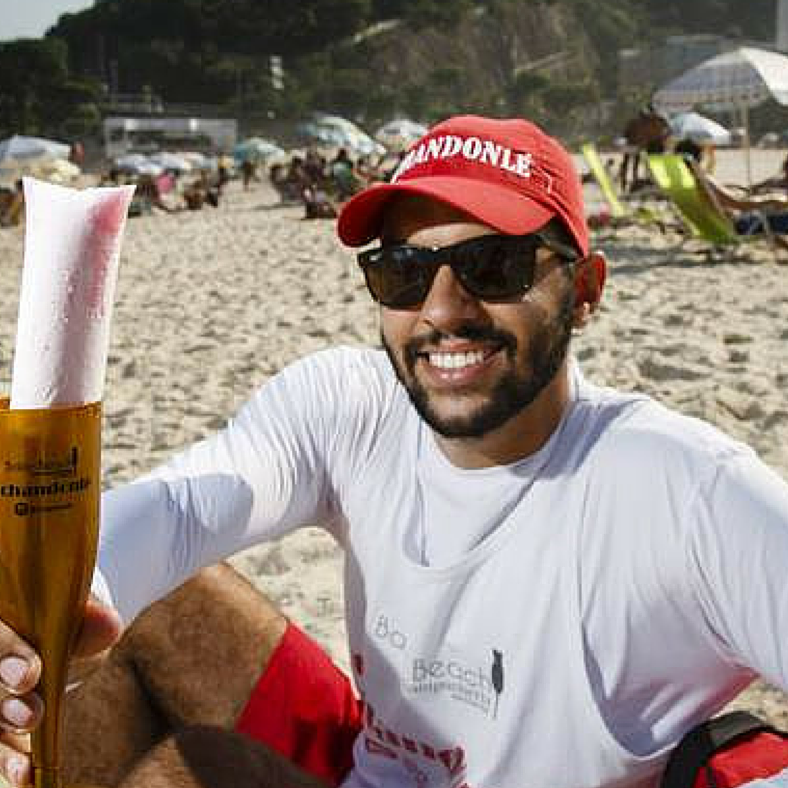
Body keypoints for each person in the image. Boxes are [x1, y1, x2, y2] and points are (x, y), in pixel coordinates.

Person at [2, 115, 788, 788]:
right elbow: (177, 509)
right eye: (403, 275)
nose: (443, 311)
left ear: (584, 290)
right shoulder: (350, 404)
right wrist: (54, 615)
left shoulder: (680, 489)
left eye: (493, 266)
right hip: (371, 764)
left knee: (185, 768)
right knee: (121, 604)